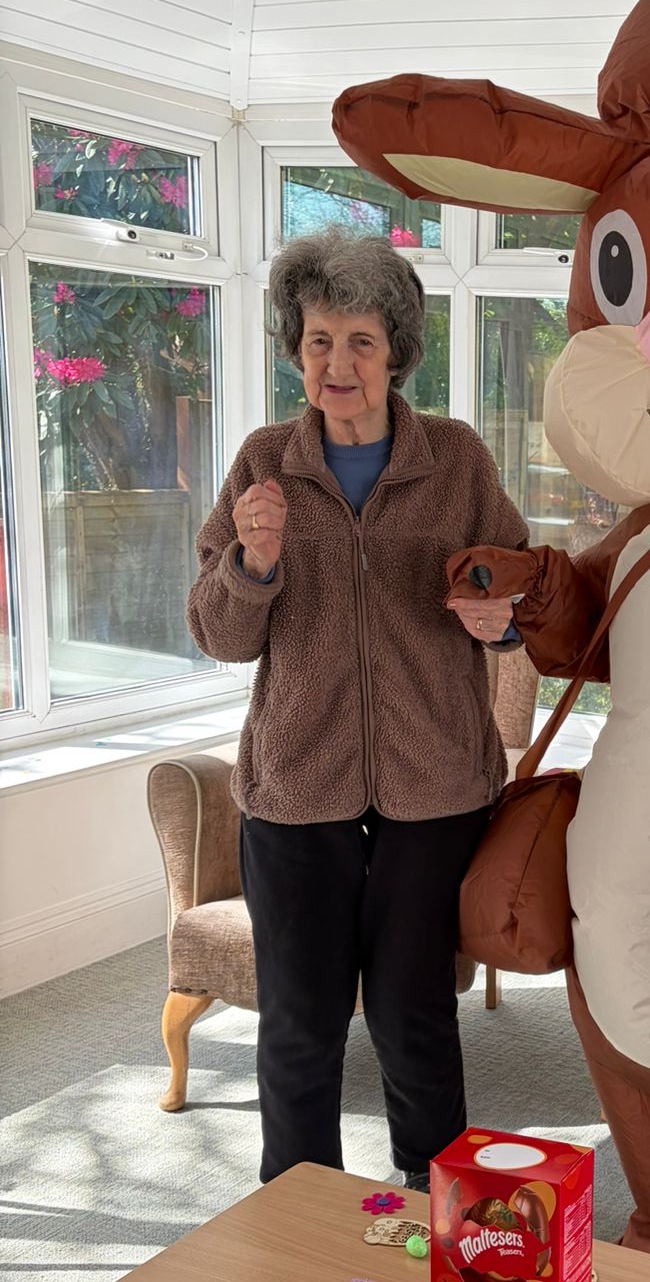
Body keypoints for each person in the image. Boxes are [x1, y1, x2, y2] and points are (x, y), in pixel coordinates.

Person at [187, 232, 528, 1189]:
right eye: (319, 339)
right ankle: (297, 1219)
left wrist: (499, 618)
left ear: (398, 352)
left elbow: (515, 592)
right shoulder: (264, 463)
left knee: (415, 1017)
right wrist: (254, 566)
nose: (338, 364)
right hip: (297, 788)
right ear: (296, 349)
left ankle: (441, 1214)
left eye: (362, 342)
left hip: (435, 787)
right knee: (298, 1022)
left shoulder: (456, 461)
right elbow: (218, 635)